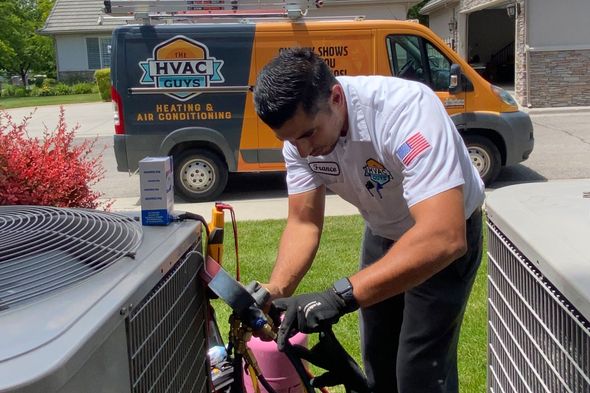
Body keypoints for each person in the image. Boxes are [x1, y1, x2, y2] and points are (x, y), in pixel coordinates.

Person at [252, 47, 485, 393]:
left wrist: (338, 296)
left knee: (419, 373)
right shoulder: (300, 138)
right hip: (383, 232)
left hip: (444, 241)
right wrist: (276, 290)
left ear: (335, 98)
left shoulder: (405, 110)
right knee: (379, 362)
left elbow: (443, 236)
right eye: (288, 140)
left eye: (307, 135)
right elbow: (304, 223)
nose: (301, 151)